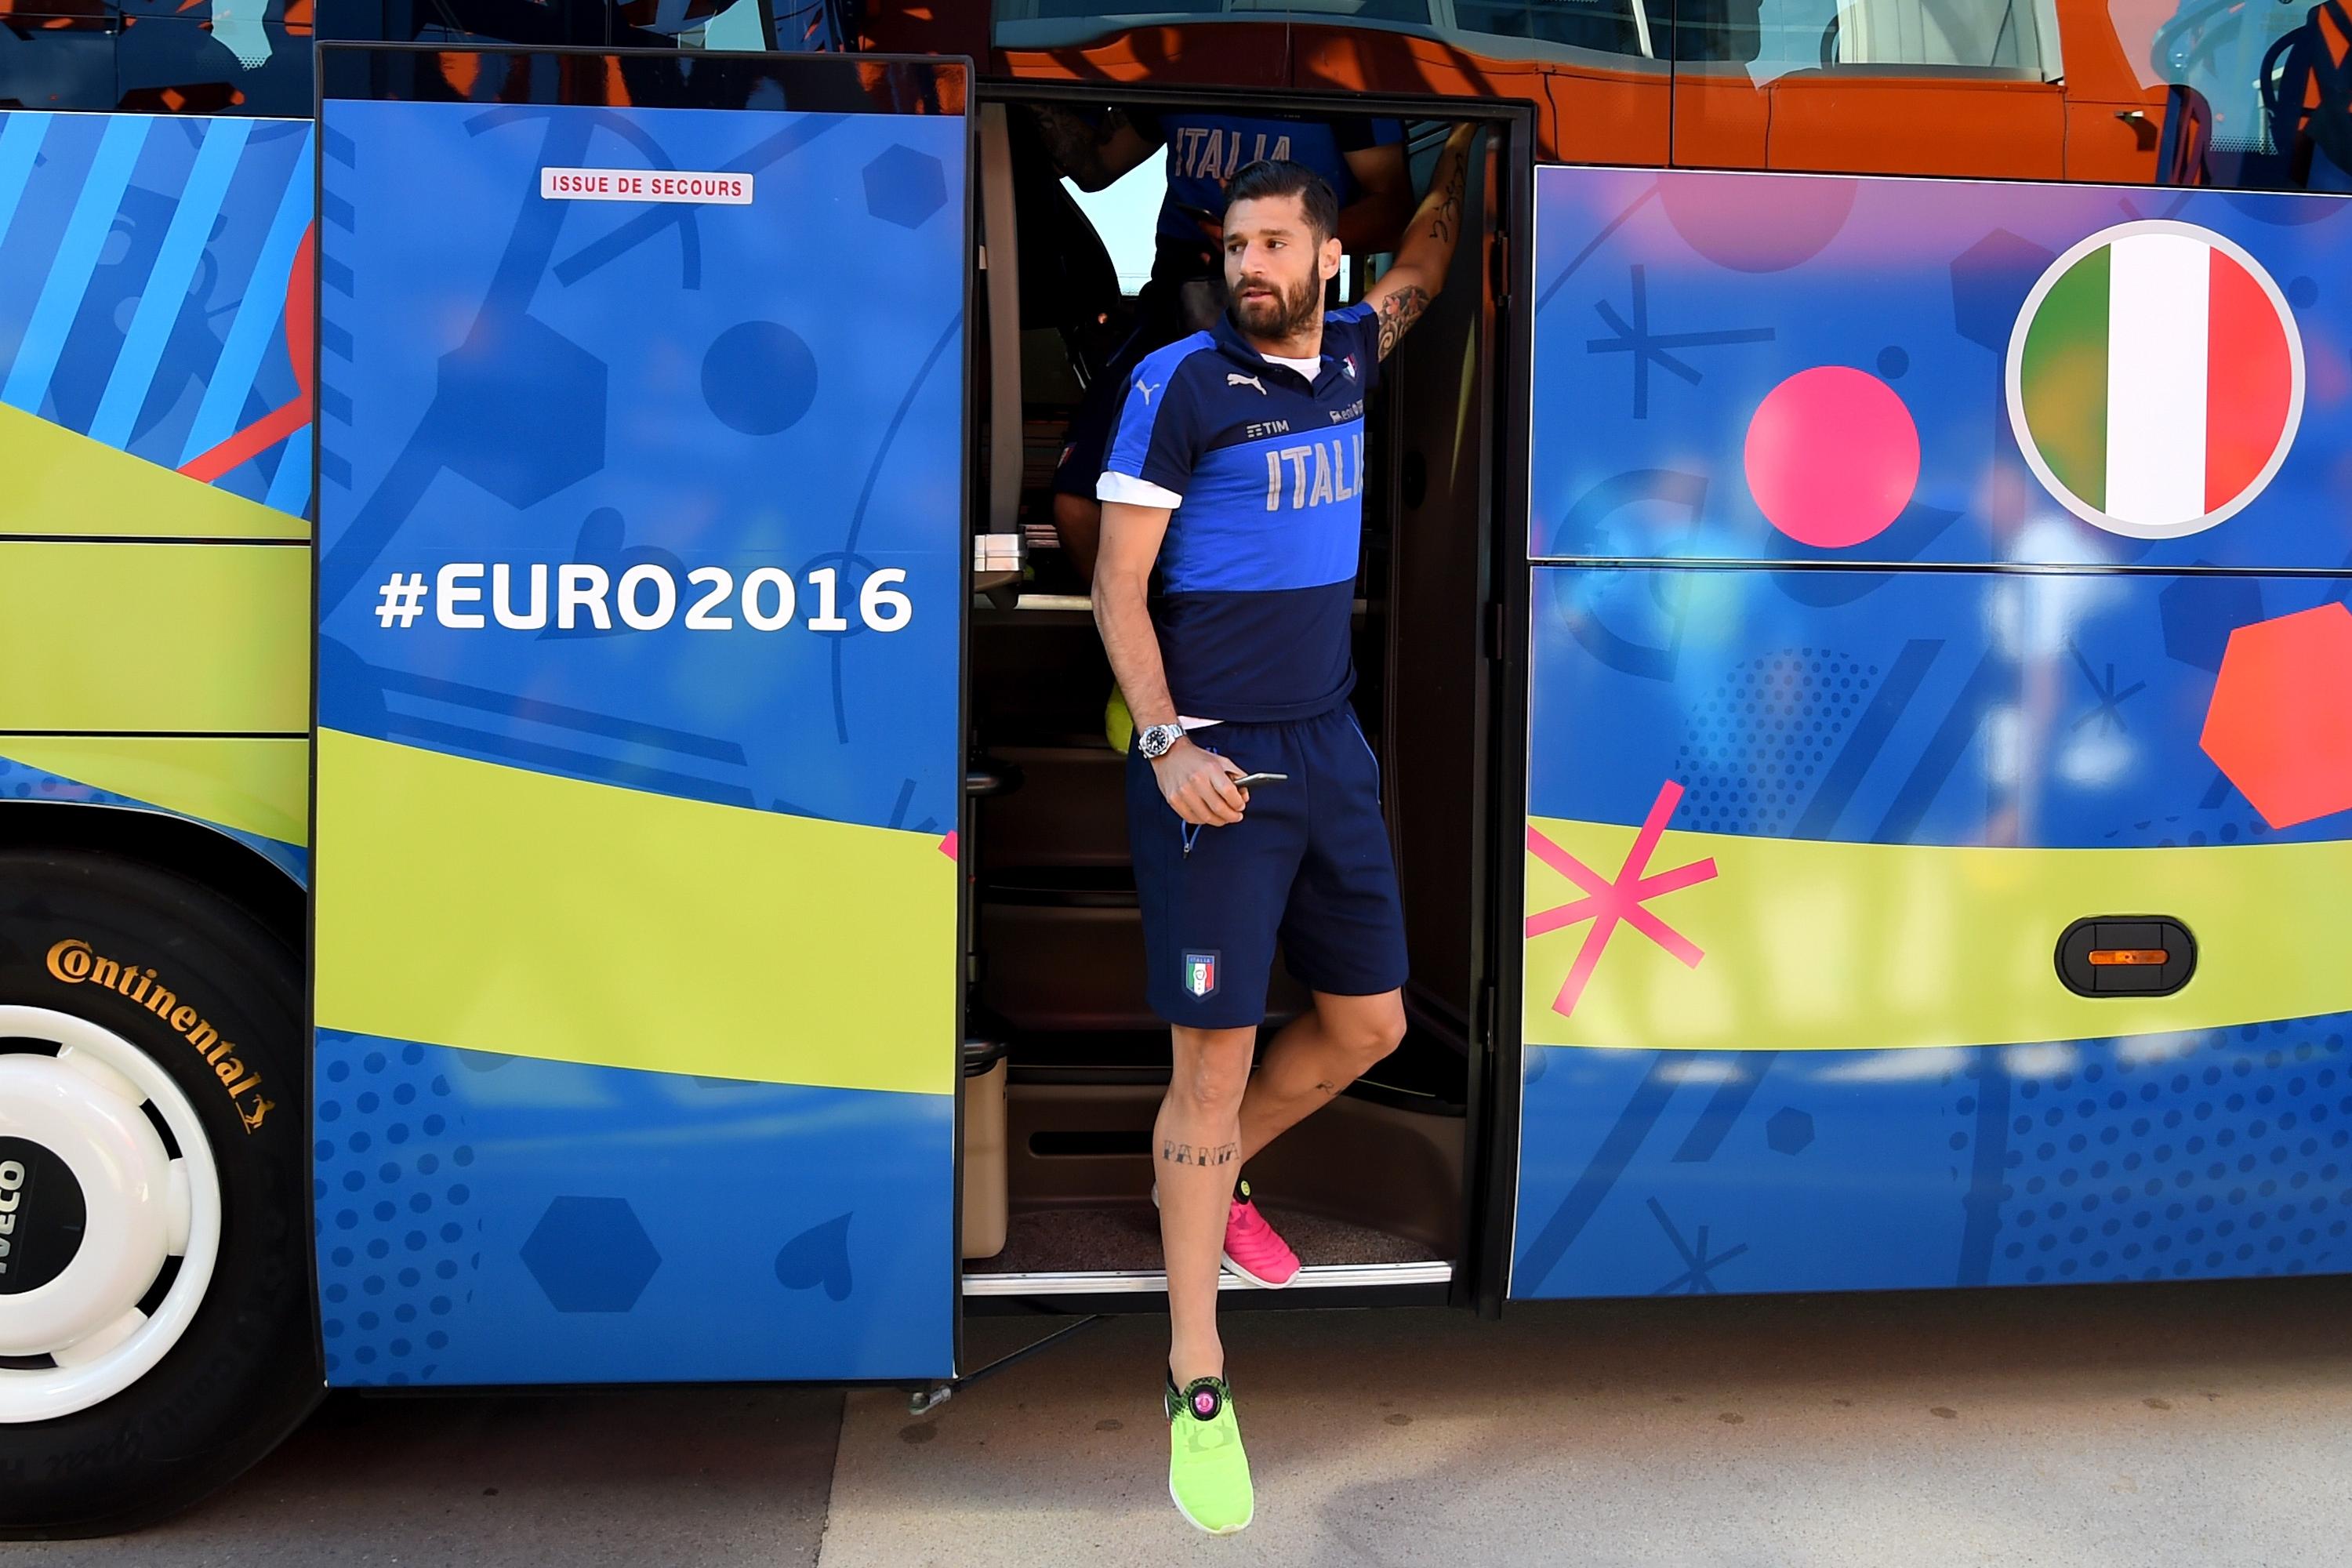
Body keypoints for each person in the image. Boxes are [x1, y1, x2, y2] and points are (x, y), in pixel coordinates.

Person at [1090, 125, 1474, 1535]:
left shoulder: (1363, 348)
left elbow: (1426, 262)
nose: (1245, 268)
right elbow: (1120, 592)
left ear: (1325, 255)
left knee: (1370, 1025)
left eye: (1270, 247)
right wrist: (1169, 740)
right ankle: (1197, 1372)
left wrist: (1449, 165)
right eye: (1231, 247)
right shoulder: (1179, 384)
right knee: (1211, 1070)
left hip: (1330, 747)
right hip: (1215, 765)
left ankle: (1215, 1173)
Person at [1029, 105, 1413, 582]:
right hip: (1177, 300)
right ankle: (1150, 644)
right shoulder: (1176, 62)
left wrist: (1275, 243)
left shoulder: (1343, 72)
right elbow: (1095, 168)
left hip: (1285, 321)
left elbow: (1393, 208)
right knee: (1079, 502)